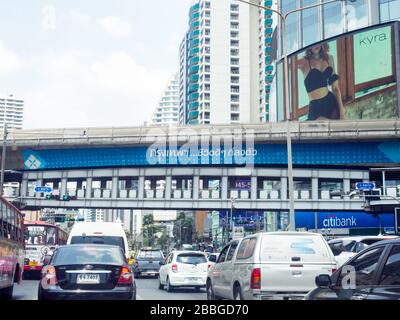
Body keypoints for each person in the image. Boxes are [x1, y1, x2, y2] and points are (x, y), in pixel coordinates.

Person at [297, 43, 345, 121]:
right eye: (312, 43)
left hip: (330, 102)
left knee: (336, 129)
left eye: (317, 42)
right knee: (318, 126)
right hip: (315, 107)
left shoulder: (329, 58)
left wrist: (342, 112)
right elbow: (287, 65)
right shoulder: (304, 62)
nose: (315, 45)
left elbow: (335, 88)